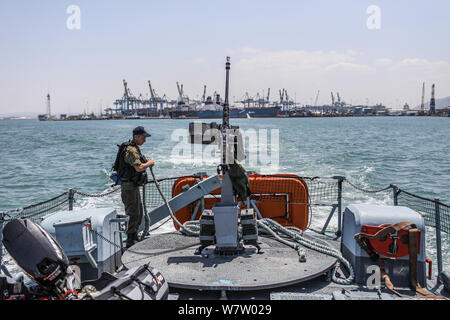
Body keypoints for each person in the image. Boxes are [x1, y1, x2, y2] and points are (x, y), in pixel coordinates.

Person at [116, 126, 155, 248]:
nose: (144, 140)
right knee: (133, 212)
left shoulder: (134, 148)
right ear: (136, 137)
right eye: (143, 138)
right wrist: (150, 163)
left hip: (133, 186)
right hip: (129, 187)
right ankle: (130, 239)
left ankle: (134, 236)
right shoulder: (131, 150)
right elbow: (138, 168)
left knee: (138, 212)